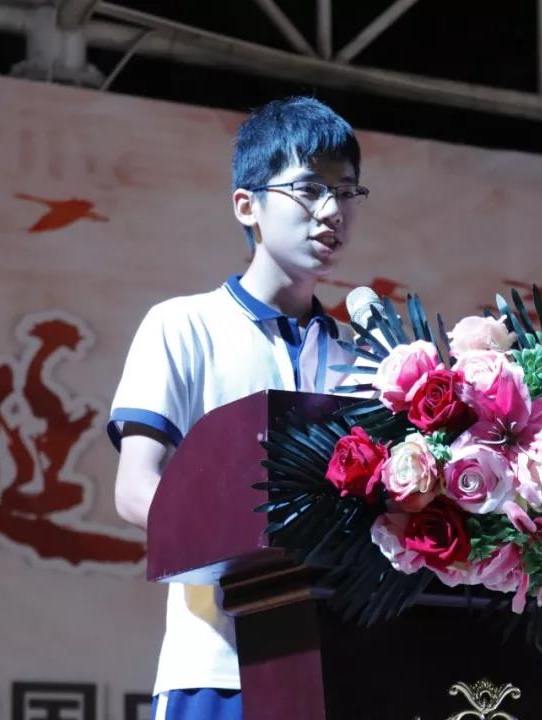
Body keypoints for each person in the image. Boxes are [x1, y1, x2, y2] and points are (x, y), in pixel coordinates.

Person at [107, 96, 367, 720]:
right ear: (247, 206)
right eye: (310, 189)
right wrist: (266, 543)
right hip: (219, 665)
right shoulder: (184, 326)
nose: (333, 211)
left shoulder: (366, 358)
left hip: (345, 664)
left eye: (346, 191)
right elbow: (136, 490)